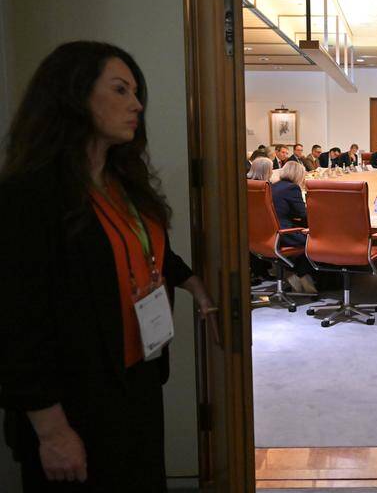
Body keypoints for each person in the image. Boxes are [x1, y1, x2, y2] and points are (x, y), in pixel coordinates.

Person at [0, 41, 217, 492]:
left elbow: (145, 251)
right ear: (73, 96)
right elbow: (16, 324)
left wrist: (193, 285)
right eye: (120, 90)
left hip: (136, 379)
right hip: (74, 403)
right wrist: (52, 429)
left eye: (136, 92)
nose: (137, 104)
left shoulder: (122, 183)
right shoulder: (29, 196)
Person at [270, 161, 317, 293]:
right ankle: (300, 275)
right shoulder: (292, 188)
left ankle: (297, 276)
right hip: (284, 234)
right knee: (315, 242)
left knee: (306, 235)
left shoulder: (274, 186)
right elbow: (302, 213)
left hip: (269, 235)